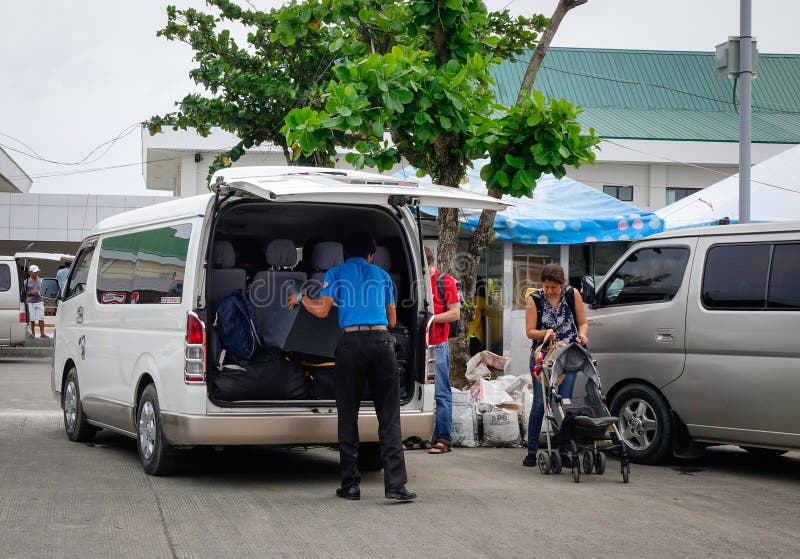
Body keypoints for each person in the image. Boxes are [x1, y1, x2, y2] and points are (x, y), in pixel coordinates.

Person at [287, 233, 415, 502]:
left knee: (348, 414)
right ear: (371, 255)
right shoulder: (382, 275)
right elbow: (392, 320)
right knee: (389, 416)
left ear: (345, 254)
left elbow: (322, 311)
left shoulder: (336, 273)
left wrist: (300, 298)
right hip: (382, 343)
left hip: (351, 344)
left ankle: (351, 485)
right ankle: (395, 486)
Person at [522, 263, 588, 467]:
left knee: (564, 402)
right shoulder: (535, 299)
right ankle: (532, 450)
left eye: (554, 287)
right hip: (544, 356)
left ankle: (565, 451)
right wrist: (545, 333)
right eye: (546, 287)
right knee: (541, 403)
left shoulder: (572, 294)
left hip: (568, 355)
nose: (549, 291)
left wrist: (582, 336)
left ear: (562, 284)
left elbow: (583, 323)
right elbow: (530, 331)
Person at [424, 246, 460, 455]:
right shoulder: (417, 280)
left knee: (441, 392)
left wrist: (431, 319)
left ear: (430, 264)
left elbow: (455, 313)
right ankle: (420, 437)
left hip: (437, 343)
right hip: (418, 344)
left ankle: (444, 439)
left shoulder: (444, 281)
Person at [25, 265, 48, 339]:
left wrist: (39, 292)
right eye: (34, 272)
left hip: (39, 301)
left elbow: (45, 291)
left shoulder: (41, 280)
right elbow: (24, 293)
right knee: (32, 319)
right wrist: (31, 293)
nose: (36, 273)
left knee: (41, 318)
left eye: (37, 272)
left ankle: (42, 333)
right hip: (31, 302)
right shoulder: (26, 282)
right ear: (30, 272)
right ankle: (33, 333)